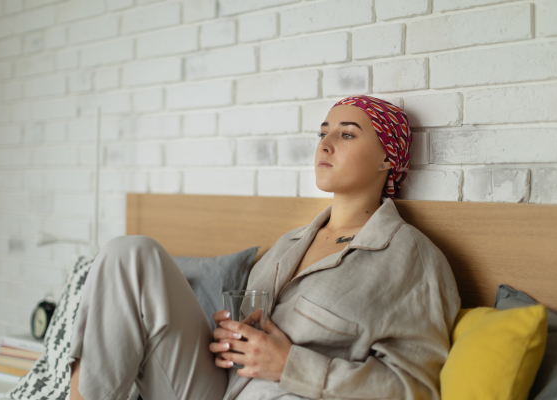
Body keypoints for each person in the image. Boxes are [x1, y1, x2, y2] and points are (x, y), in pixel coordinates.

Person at [68, 95, 461, 400]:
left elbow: (417, 390)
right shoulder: (288, 244)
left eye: (346, 134)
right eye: (322, 132)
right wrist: (230, 340)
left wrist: (290, 364)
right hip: (223, 389)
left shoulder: (412, 256)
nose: (324, 144)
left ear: (386, 159)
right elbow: (249, 344)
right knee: (130, 254)